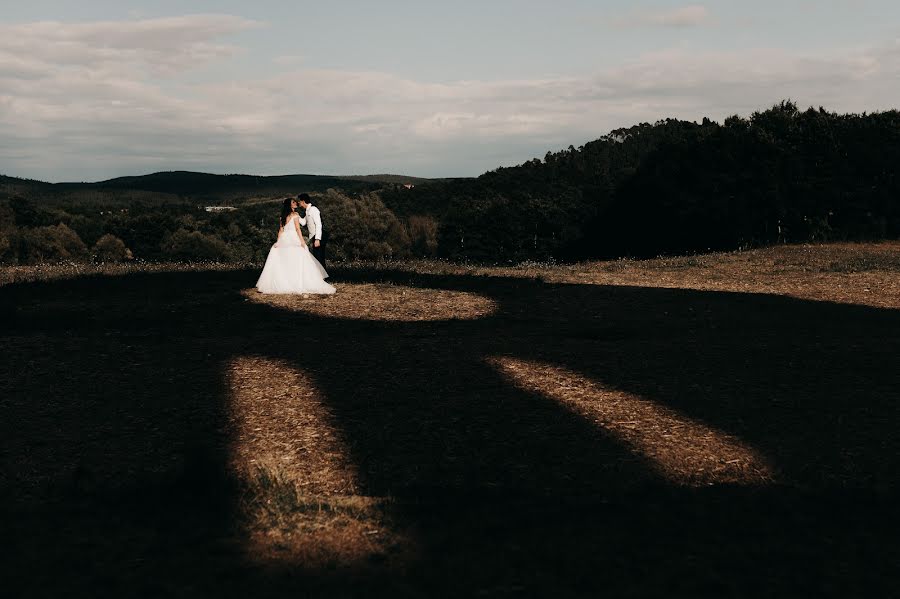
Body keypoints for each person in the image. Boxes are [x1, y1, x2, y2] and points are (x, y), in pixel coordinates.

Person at [255, 198, 335, 294]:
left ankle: (286, 281)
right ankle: (297, 281)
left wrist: (278, 242)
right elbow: (298, 229)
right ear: (290, 205)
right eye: (293, 202)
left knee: (285, 260)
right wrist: (302, 242)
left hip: (284, 238)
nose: (296, 203)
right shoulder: (295, 215)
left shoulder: (282, 217)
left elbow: (281, 230)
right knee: (298, 258)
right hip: (293, 237)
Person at [297, 193, 326, 269]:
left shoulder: (313, 209)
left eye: (299, 201)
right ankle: (320, 276)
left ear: (303, 201)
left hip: (318, 237)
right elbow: (303, 222)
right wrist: (296, 215)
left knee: (319, 257)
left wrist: (317, 239)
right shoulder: (307, 211)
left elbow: (319, 224)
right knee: (316, 257)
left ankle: (323, 277)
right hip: (313, 237)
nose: (298, 203)